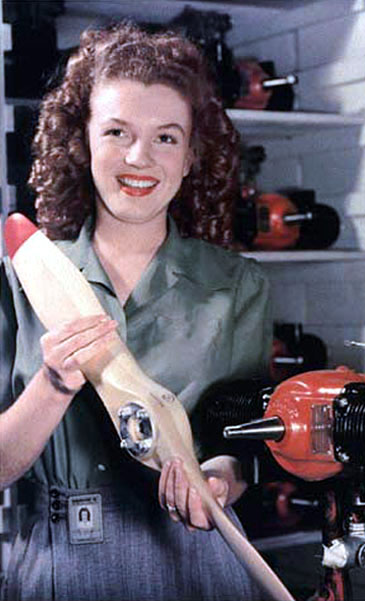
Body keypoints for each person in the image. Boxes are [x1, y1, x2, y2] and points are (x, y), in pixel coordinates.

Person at [0, 21, 272, 601]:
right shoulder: (19, 283)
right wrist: (51, 384)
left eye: (166, 137)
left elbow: (242, 441)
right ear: (83, 140)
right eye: (117, 132)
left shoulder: (239, 286)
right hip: (54, 568)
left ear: (194, 153)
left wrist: (219, 481)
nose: (139, 158)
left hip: (195, 561)